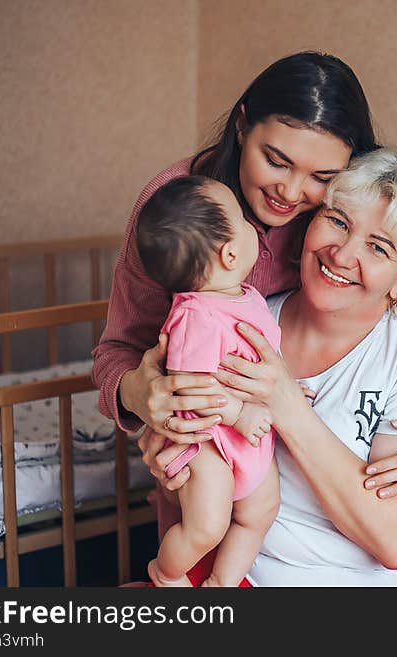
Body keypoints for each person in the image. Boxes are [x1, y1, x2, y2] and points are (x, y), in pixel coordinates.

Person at [92, 51, 397, 582]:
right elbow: (119, 351)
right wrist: (141, 396)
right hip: (207, 491)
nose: (291, 193)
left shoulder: (356, 218)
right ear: (243, 124)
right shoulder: (180, 210)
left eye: (321, 177)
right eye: (275, 160)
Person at [150, 148, 397, 584]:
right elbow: (191, 418)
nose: (341, 254)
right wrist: (169, 442)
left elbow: (395, 541)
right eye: (337, 221)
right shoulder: (249, 318)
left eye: (378, 247)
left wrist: (286, 405)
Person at [134, 176, 282, 587]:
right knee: (207, 526)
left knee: (261, 510)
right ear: (231, 253)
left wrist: (281, 392)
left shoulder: (245, 296)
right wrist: (237, 412)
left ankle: (222, 584)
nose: (252, 224)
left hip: (242, 432)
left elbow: (259, 358)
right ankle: (165, 574)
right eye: (240, 217)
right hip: (205, 441)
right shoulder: (196, 315)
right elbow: (187, 385)